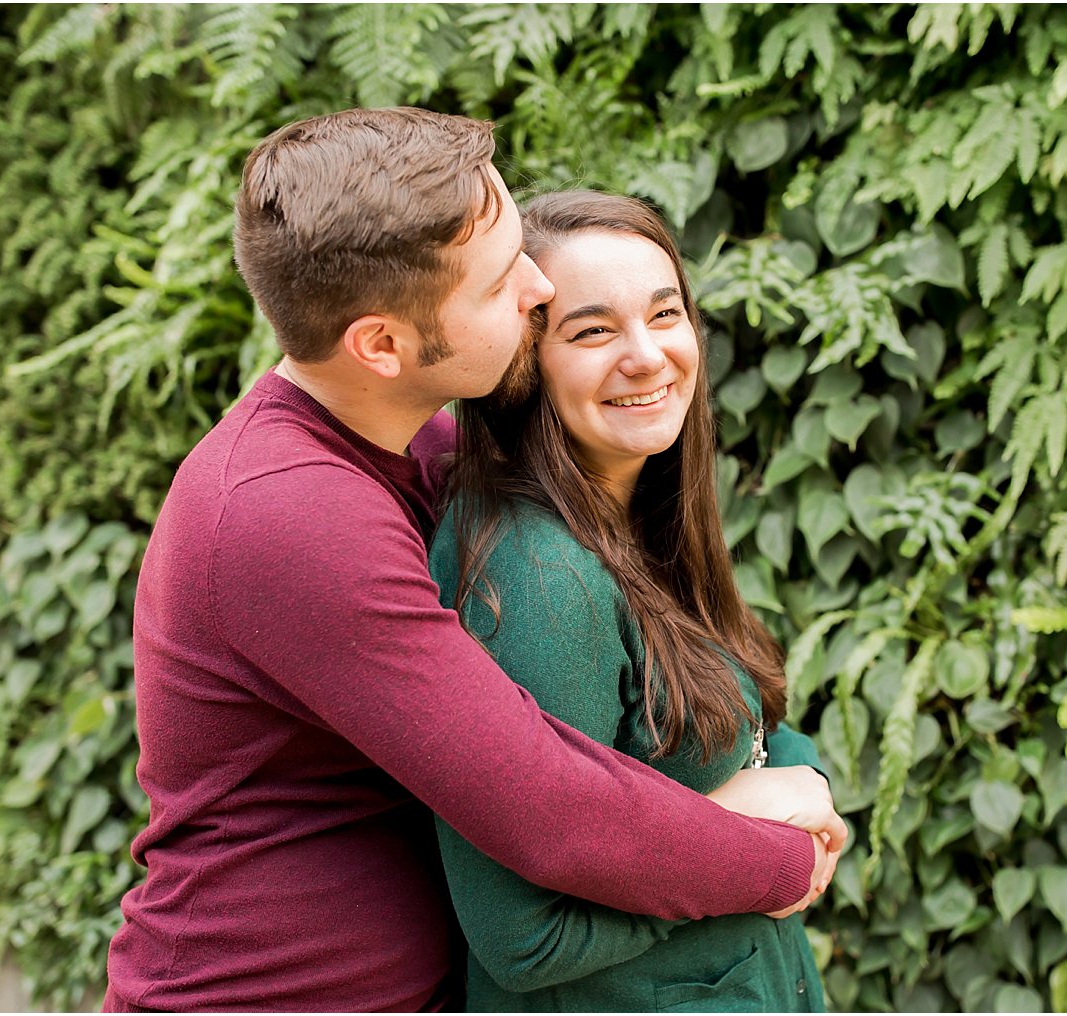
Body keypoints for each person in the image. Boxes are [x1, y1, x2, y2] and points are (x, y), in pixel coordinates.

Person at [102, 108, 844, 1013]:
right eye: (498, 284)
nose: (538, 287)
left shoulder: (422, 450)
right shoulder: (286, 515)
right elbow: (548, 802)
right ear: (382, 344)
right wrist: (780, 857)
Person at [428, 190, 832, 1012]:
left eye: (665, 313)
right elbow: (524, 937)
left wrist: (804, 787)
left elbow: (739, 724)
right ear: (524, 361)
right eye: (593, 330)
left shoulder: (637, 505)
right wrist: (742, 842)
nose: (647, 355)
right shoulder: (538, 581)